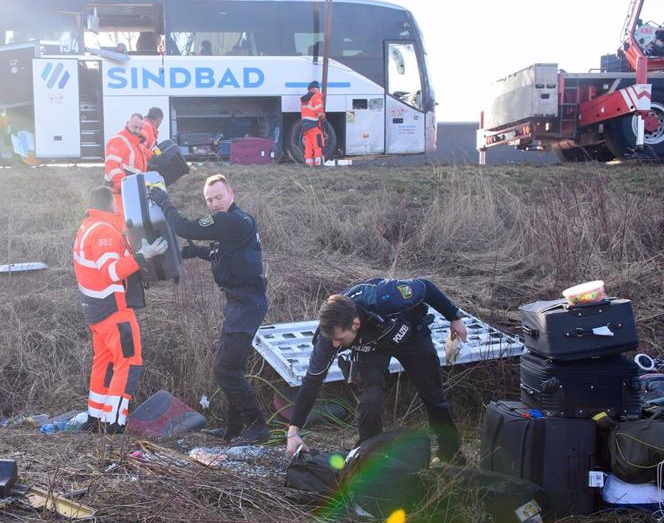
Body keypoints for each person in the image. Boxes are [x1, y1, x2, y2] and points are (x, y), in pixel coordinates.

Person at [284, 278, 468, 463]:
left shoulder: (389, 297)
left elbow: (425, 287)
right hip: (372, 349)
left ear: (355, 324)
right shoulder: (329, 338)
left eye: (340, 339)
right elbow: (312, 381)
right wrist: (293, 431)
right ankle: (370, 459)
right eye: (332, 339)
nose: (335, 344)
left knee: (433, 395)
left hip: (410, 335)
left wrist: (454, 316)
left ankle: (451, 455)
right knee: (370, 401)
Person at [148, 175, 271, 443]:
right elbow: (230, 254)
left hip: (246, 304)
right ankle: (233, 429)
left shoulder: (229, 220)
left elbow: (184, 227)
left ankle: (258, 427)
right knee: (231, 367)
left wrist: (162, 199)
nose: (214, 203)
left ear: (231, 193)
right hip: (243, 303)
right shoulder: (239, 221)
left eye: (218, 197)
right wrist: (199, 253)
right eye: (209, 200)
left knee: (225, 369)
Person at [73, 187, 168, 432]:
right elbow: (112, 272)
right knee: (128, 362)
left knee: (103, 363)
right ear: (111, 204)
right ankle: (113, 423)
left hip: (96, 311)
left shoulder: (88, 227)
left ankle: (95, 418)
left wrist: (135, 251)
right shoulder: (104, 231)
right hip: (114, 309)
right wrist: (143, 256)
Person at [104, 114, 148, 216]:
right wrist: (128, 189)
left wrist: (158, 154)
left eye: (140, 128)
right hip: (118, 193)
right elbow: (112, 169)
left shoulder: (137, 143)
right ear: (127, 124)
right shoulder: (118, 141)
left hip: (130, 193)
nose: (137, 131)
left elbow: (148, 153)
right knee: (121, 225)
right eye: (135, 127)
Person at [300, 80, 325, 166]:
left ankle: (308, 163)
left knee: (308, 146)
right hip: (314, 125)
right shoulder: (316, 96)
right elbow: (318, 109)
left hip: (305, 125)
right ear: (317, 88)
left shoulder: (304, 99)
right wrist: (322, 117)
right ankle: (318, 163)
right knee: (317, 144)